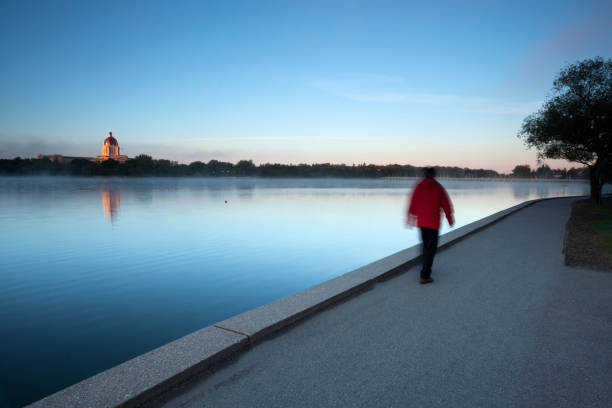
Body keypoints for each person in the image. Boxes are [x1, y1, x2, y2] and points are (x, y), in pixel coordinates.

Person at [406, 167, 454, 284]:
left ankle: (423, 266)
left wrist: (410, 217)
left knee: (425, 245)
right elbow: (446, 205)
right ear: (433, 175)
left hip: (421, 222)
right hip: (433, 223)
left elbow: (413, 202)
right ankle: (425, 275)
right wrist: (450, 219)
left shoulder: (418, 186)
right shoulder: (438, 187)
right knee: (431, 249)